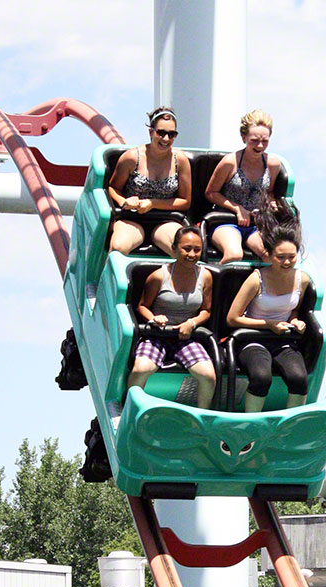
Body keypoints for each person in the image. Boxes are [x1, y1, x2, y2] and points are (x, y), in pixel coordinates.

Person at [226, 198, 309, 413]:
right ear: (270, 256)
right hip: (252, 338)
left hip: (281, 339)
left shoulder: (303, 280)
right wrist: (268, 324)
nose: (287, 262)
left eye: (291, 257)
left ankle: (291, 425)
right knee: (262, 377)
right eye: (281, 257)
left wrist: (295, 322)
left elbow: (293, 312)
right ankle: (251, 422)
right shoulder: (256, 279)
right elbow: (232, 318)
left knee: (299, 378)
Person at [127, 226, 216, 409]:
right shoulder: (159, 276)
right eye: (186, 249)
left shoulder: (205, 276)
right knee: (142, 368)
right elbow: (142, 306)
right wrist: (153, 318)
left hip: (184, 337)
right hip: (157, 335)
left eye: (197, 250)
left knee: (208, 375)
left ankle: (201, 416)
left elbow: (206, 310)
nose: (192, 254)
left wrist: (191, 323)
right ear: (175, 249)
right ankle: (129, 408)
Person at [108, 107, 192, 256]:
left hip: (165, 220)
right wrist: (124, 202)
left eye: (171, 134)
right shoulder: (132, 157)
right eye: (161, 133)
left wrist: (152, 203)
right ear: (151, 132)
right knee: (118, 247)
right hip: (132, 218)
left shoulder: (180, 160)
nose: (166, 139)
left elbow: (185, 201)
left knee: (183, 251)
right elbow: (112, 189)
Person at [205, 109, 282, 264]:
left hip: (255, 224)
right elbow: (211, 193)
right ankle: (216, 284)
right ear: (244, 137)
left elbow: (270, 192)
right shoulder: (230, 162)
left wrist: (272, 203)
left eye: (264, 141)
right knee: (235, 254)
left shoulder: (272, 164)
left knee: (271, 255)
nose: (260, 145)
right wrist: (237, 209)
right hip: (227, 220)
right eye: (254, 140)